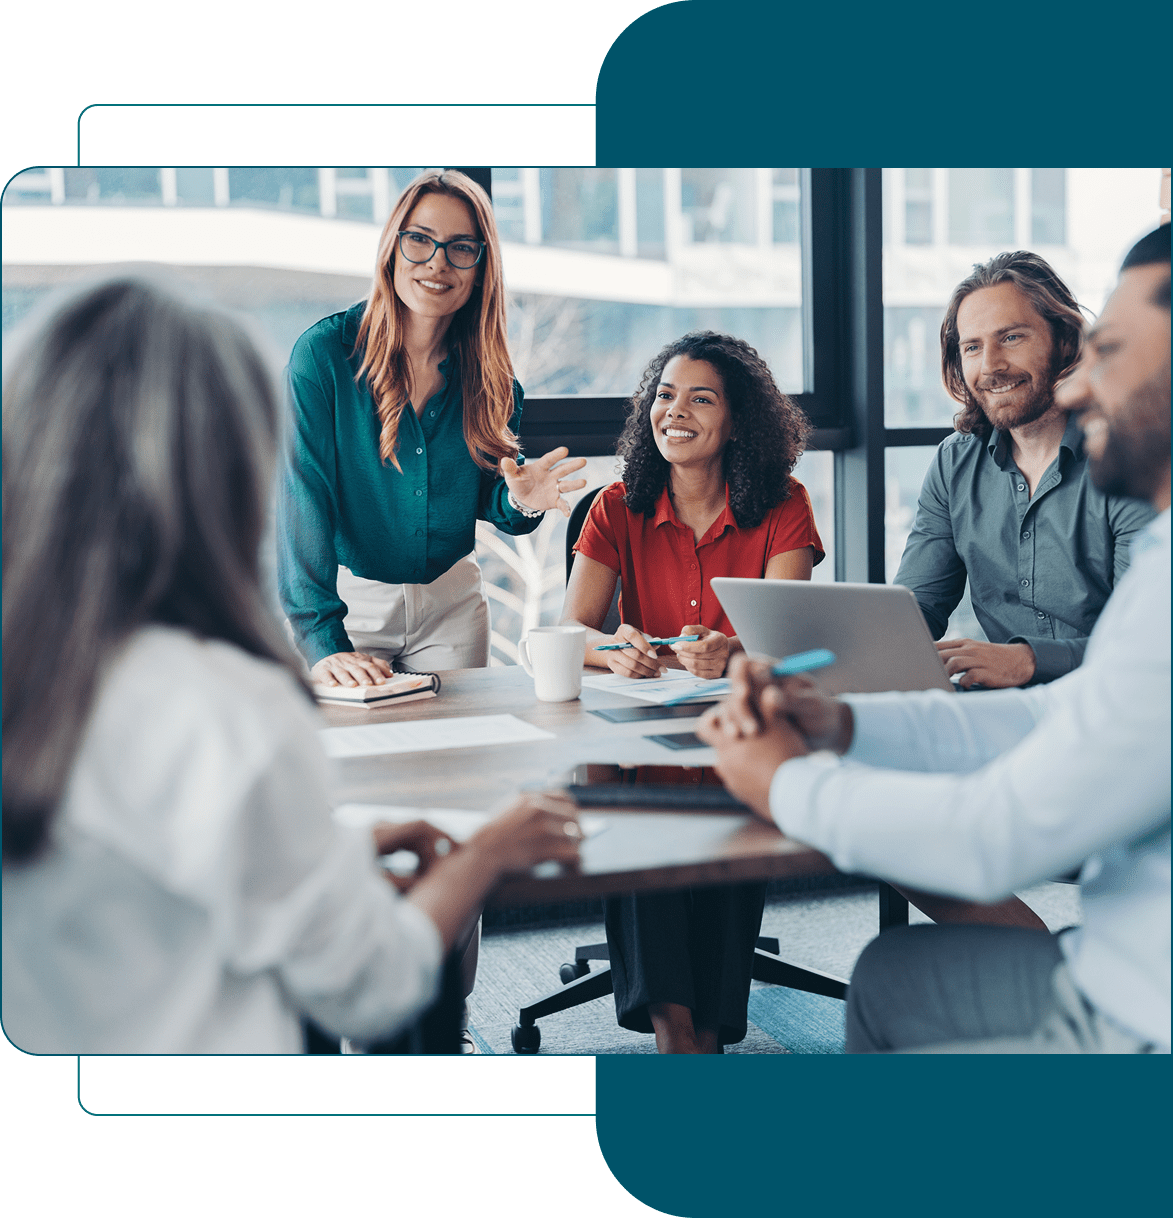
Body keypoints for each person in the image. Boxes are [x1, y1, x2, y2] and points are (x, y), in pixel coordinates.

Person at [1, 275, 582, 1054]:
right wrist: (488, 853)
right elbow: (369, 987)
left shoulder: (40, 679)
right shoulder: (226, 708)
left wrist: (333, 854)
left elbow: (159, 875)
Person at [697, 225, 1171, 1054]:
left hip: (1143, 1003)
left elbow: (998, 832)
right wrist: (842, 721)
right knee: (896, 965)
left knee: (893, 974)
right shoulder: (985, 472)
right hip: (1108, 870)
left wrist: (784, 784)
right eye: (972, 345)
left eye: (1112, 351)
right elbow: (1046, 709)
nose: (1081, 387)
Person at [562, 331, 824, 1052]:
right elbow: (572, 631)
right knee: (640, 804)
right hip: (642, 739)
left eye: (700, 399)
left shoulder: (785, 505)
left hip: (738, 729)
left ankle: (703, 1030)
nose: (675, 412)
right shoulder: (616, 506)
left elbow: (786, 637)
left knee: (738, 784)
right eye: (665, 395)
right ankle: (676, 1030)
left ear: (738, 421)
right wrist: (615, 647)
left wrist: (733, 650)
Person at [277, 168, 585, 688]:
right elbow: (302, 501)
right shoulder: (323, 357)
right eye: (420, 240)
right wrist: (322, 640)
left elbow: (488, 497)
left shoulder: (494, 379)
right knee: (355, 739)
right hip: (350, 609)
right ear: (392, 249)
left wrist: (521, 501)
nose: (438, 262)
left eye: (461, 247)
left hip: (452, 608)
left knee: (460, 741)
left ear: (481, 268)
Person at [894, 251, 1154, 691]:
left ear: (1064, 341)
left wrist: (1029, 661)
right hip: (1002, 705)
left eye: (1011, 337)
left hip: (1113, 700)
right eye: (972, 347)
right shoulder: (954, 464)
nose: (990, 365)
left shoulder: (1124, 457)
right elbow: (915, 611)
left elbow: (1148, 637)